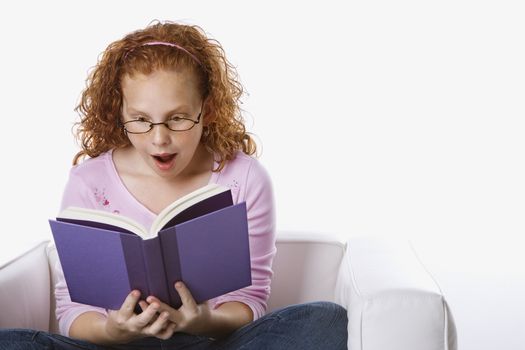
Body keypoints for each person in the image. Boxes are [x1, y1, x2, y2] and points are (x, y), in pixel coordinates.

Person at [0, 20, 347, 349]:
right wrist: (113, 330)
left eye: (177, 118)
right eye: (140, 120)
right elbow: (72, 312)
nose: (159, 139)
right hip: (117, 346)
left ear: (206, 109)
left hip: (210, 342)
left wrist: (200, 320)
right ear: (119, 112)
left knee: (325, 320)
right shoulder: (88, 181)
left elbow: (249, 302)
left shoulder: (244, 178)